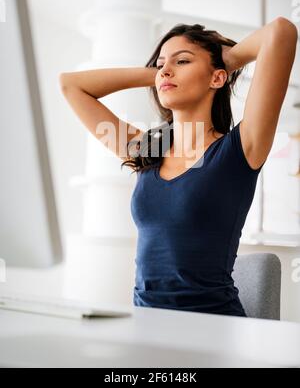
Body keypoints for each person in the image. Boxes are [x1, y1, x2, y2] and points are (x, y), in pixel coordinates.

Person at [60, 18, 298, 317]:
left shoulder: (237, 150)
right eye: (161, 65)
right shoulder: (149, 151)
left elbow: (281, 31)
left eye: (183, 60)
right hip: (146, 325)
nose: (166, 71)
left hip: (213, 328)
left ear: (217, 78)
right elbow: (71, 85)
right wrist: (160, 75)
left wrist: (224, 62)